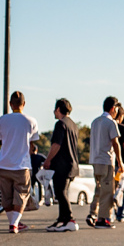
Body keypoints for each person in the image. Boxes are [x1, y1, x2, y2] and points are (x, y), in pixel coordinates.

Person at [0, 91, 41, 233]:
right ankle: (14, 224)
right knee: (21, 195)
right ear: (24, 104)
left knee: (6, 196)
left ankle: (14, 223)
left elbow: (0, 138)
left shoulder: (2, 120)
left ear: (10, 104)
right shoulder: (31, 121)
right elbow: (33, 144)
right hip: (22, 165)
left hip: (4, 163)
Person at [86, 96, 124, 228]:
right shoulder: (111, 123)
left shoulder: (95, 122)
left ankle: (93, 213)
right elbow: (115, 143)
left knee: (99, 189)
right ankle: (103, 219)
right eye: (116, 110)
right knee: (107, 191)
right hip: (106, 160)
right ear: (113, 108)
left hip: (95, 160)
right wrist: (120, 161)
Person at [43, 98, 79, 232]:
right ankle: (62, 220)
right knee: (62, 192)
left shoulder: (60, 124)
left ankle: (70, 219)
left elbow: (56, 145)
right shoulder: (74, 125)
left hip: (62, 164)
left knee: (61, 192)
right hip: (72, 164)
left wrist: (48, 160)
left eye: (55, 109)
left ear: (58, 109)